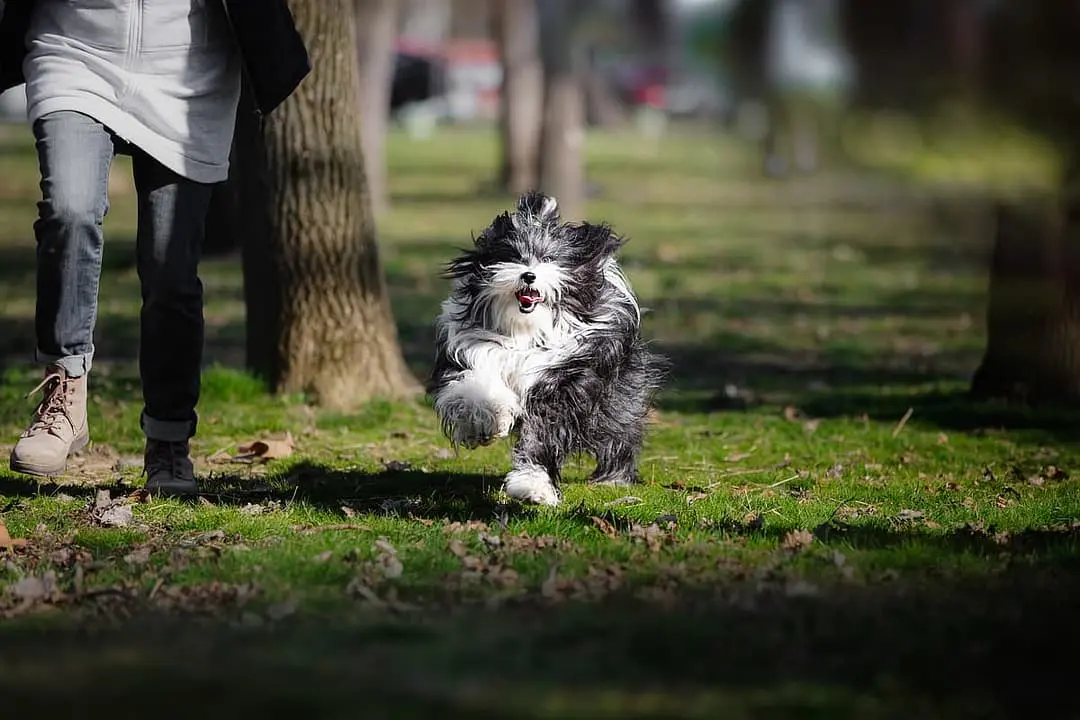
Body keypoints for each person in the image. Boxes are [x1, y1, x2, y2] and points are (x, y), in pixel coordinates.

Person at [0, 0, 310, 494]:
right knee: (69, 210)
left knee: (171, 270)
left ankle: (168, 440)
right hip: (76, 48)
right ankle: (64, 390)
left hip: (188, 70)